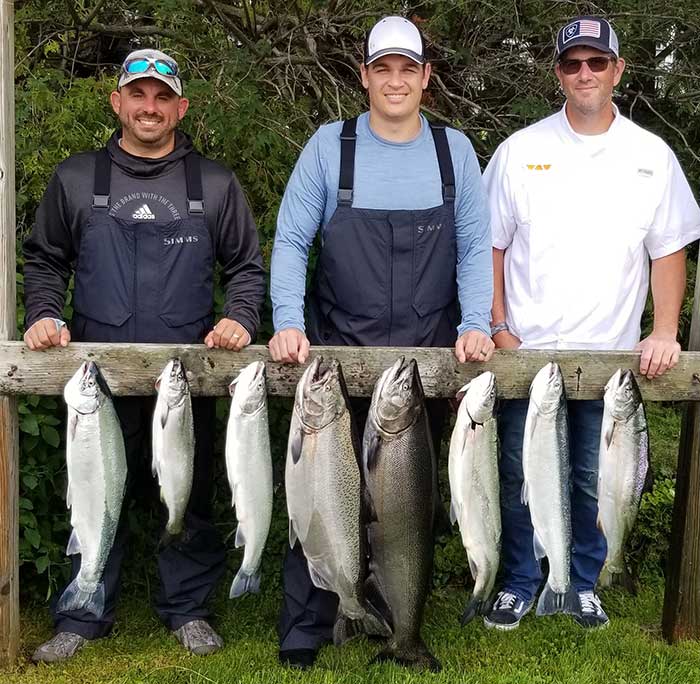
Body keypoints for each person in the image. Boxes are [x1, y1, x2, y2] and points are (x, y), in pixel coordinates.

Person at [24, 48, 266, 662]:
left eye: (162, 97)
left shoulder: (213, 184)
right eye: (139, 95)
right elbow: (45, 260)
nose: (150, 107)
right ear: (118, 102)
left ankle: (187, 609)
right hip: (96, 381)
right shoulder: (77, 180)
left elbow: (245, 267)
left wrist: (239, 318)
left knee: (187, 493)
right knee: (91, 491)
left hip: (185, 379)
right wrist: (44, 315)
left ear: (180, 107)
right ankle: (82, 612)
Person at [268, 16, 493, 668]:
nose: (395, 80)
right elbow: (289, 241)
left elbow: (476, 248)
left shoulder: (455, 153)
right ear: (364, 75)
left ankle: (400, 619)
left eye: (408, 68)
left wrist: (474, 322)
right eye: (382, 68)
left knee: (406, 506)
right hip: (338, 352)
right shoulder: (327, 148)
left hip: (421, 364)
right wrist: (289, 321)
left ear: (426, 77)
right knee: (320, 494)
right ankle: (306, 626)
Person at [484, 16, 700, 631]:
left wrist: (663, 330)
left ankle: (583, 582)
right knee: (517, 475)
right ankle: (521, 581)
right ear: (558, 73)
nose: (585, 73)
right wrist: (498, 324)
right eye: (573, 63)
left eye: (597, 62)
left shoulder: (650, 156)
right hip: (528, 353)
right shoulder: (520, 151)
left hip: (608, 358)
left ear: (618, 71)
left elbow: (669, 249)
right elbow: (491, 246)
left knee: (592, 477)